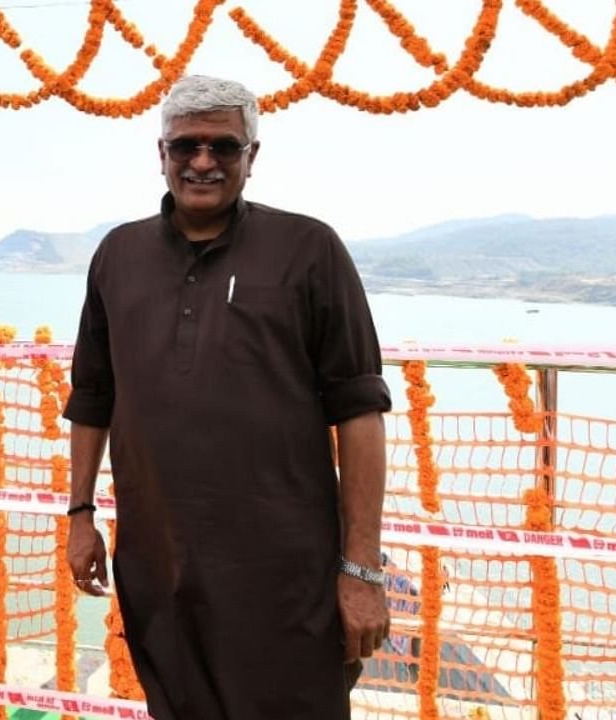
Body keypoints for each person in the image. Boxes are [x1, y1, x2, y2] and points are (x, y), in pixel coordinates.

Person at [63, 75, 392, 719]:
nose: (204, 162)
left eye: (224, 146)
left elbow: (359, 412)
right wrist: (80, 515)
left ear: (252, 156)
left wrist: (362, 571)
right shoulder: (117, 255)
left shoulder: (309, 249)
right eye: (186, 146)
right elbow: (92, 396)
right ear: (161, 154)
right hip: (159, 567)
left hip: (284, 574)